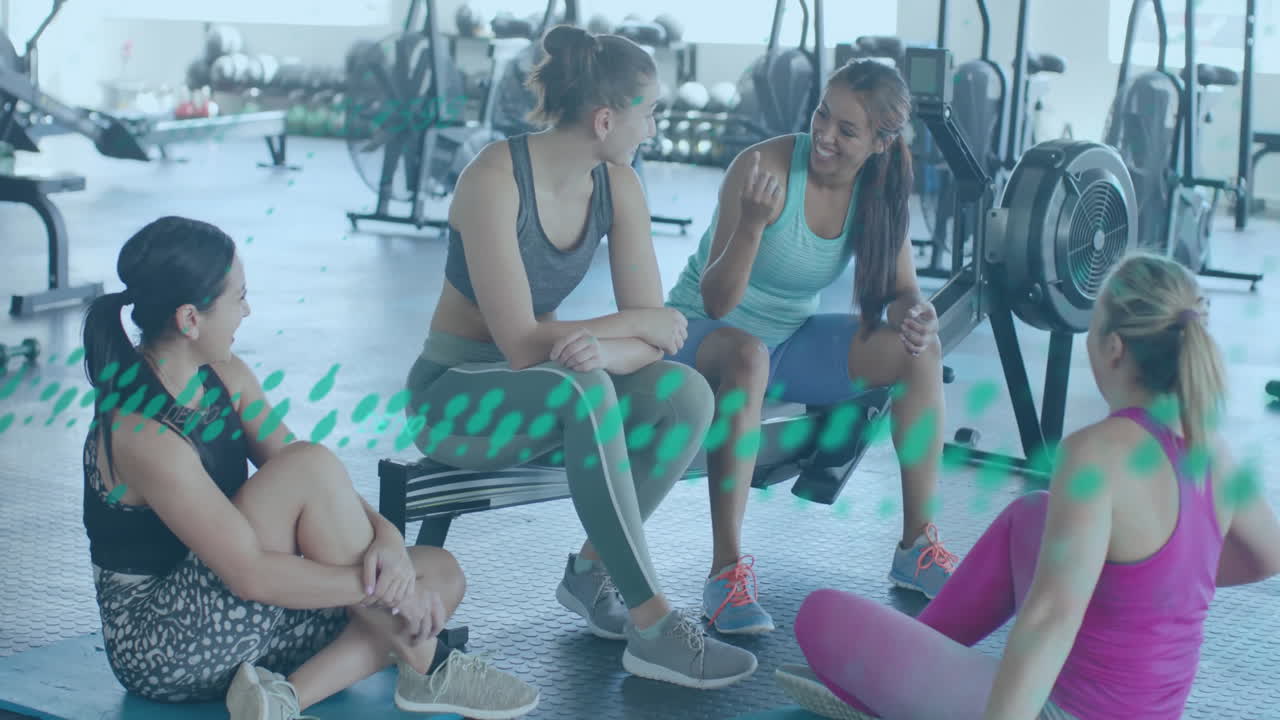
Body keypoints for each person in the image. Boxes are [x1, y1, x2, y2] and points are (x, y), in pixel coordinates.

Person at [402, 25, 757, 689]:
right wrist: (623, 332)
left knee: (686, 395)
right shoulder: (495, 179)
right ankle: (652, 624)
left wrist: (606, 343)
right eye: (650, 114)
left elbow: (658, 342)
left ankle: (593, 574)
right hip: (455, 393)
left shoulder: (618, 185)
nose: (652, 130)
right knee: (584, 387)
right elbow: (518, 342)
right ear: (605, 119)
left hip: (548, 382)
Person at [781, 252, 1280, 719]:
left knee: (819, 615)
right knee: (1032, 516)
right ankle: (923, 649)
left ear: (1113, 347)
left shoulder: (1096, 455)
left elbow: (1050, 620)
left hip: (1062, 712)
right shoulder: (1213, 452)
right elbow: (1267, 556)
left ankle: (899, 687)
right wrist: (1161, 585)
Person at [81, 217, 539, 720]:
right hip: (168, 649)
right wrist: (392, 592)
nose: (247, 310)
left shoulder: (227, 377)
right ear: (190, 319)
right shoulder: (141, 433)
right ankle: (434, 668)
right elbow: (251, 574)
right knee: (319, 481)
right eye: (239, 298)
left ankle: (281, 699)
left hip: (243, 619)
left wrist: (387, 539)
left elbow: (314, 478)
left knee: (439, 571)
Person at [663, 59, 956, 634]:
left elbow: (899, 293)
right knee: (748, 354)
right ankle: (725, 574)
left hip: (787, 344)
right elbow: (717, 300)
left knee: (918, 351)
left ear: (878, 143)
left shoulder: (880, 186)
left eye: (846, 130)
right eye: (823, 114)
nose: (824, 135)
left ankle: (916, 548)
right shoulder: (764, 167)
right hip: (701, 339)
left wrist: (915, 317)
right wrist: (750, 225)